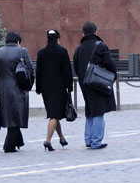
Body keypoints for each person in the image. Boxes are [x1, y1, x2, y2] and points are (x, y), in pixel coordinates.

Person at [73, 22, 117, 150]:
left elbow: (76, 67)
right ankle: (96, 141)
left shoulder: (78, 49)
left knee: (90, 111)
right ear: (96, 32)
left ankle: (88, 140)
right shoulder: (100, 46)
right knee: (98, 112)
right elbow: (110, 63)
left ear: (83, 33)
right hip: (98, 83)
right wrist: (113, 76)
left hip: (85, 83)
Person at [0, 31, 34, 153]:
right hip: (18, 89)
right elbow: (30, 69)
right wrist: (29, 85)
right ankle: (8, 146)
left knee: (9, 116)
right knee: (16, 117)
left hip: (2, 89)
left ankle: (18, 141)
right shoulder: (22, 51)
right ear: (18, 42)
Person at [35, 29, 73, 150]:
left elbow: (38, 72)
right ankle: (48, 141)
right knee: (54, 115)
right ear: (58, 39)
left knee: (54, 114)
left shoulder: (41, 53)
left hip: (46, 89)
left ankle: (62, 138)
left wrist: (38, 87)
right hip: (59, 88)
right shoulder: (62, 52)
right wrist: (70, 86)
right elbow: (67, 71)